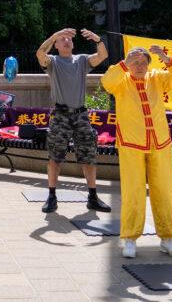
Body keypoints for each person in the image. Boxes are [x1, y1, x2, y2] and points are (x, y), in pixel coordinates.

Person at [102, 44, 172, 260]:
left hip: (159, 142)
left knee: (165, 190)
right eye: (135, 62)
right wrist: (123, 63)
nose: (139, 66)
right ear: (128, 64)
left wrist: (164, 57)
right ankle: (130, 238)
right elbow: (107, 81)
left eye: (143, 62)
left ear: (149, 64)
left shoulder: (157, 78)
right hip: (131, 143)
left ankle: (168, 238)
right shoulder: (121, 82)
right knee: (133, 191)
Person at [35, 27, 111, 214]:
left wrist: (97, 39)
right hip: (60, 116)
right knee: (55, 157)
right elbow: (40, 53)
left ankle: (92, 197)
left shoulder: (82, 60)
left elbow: (102, 56)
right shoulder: (52, 61)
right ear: (56, 45)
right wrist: (53, 35)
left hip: (81, 115)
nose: (66, 41)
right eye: (62, 39)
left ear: (73, 43)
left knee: (89, 156)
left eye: (69, 39)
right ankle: (52, 196)